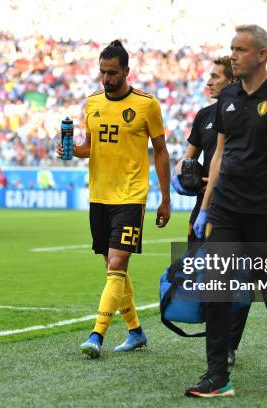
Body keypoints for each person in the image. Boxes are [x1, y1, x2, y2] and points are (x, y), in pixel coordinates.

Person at [190, 25, 267, 397]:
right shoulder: (228, 96)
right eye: (231, 49)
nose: (233, 55)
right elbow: (220, 155)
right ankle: (217, 374)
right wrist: (207, 206)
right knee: (217, 289)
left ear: (261, 55)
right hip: (226, 210)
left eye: (241, 50)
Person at [57, 40, 171, 358]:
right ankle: (135, 331)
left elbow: (161, 151)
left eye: (112, 73)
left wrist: (165, 199)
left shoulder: (147, 105)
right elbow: (89, 147)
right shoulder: (92, 103)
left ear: (126, 71)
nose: (106, 79)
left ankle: (97, 335)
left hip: (131, 196)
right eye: (102, 72)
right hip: (100, 195)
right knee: (113, 267)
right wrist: (70, 150)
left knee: (118, 262)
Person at [171, 57, 247, 367]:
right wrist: (182, 174)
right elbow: (188, 159)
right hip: (202, 208)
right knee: (203, 278)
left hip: (235, 208)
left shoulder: (245, 114)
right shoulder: (203, 117)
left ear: (231, 82)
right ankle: (218, 341)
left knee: (236, 281)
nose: (208, 82)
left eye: (214, 77)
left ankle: (228, 345)